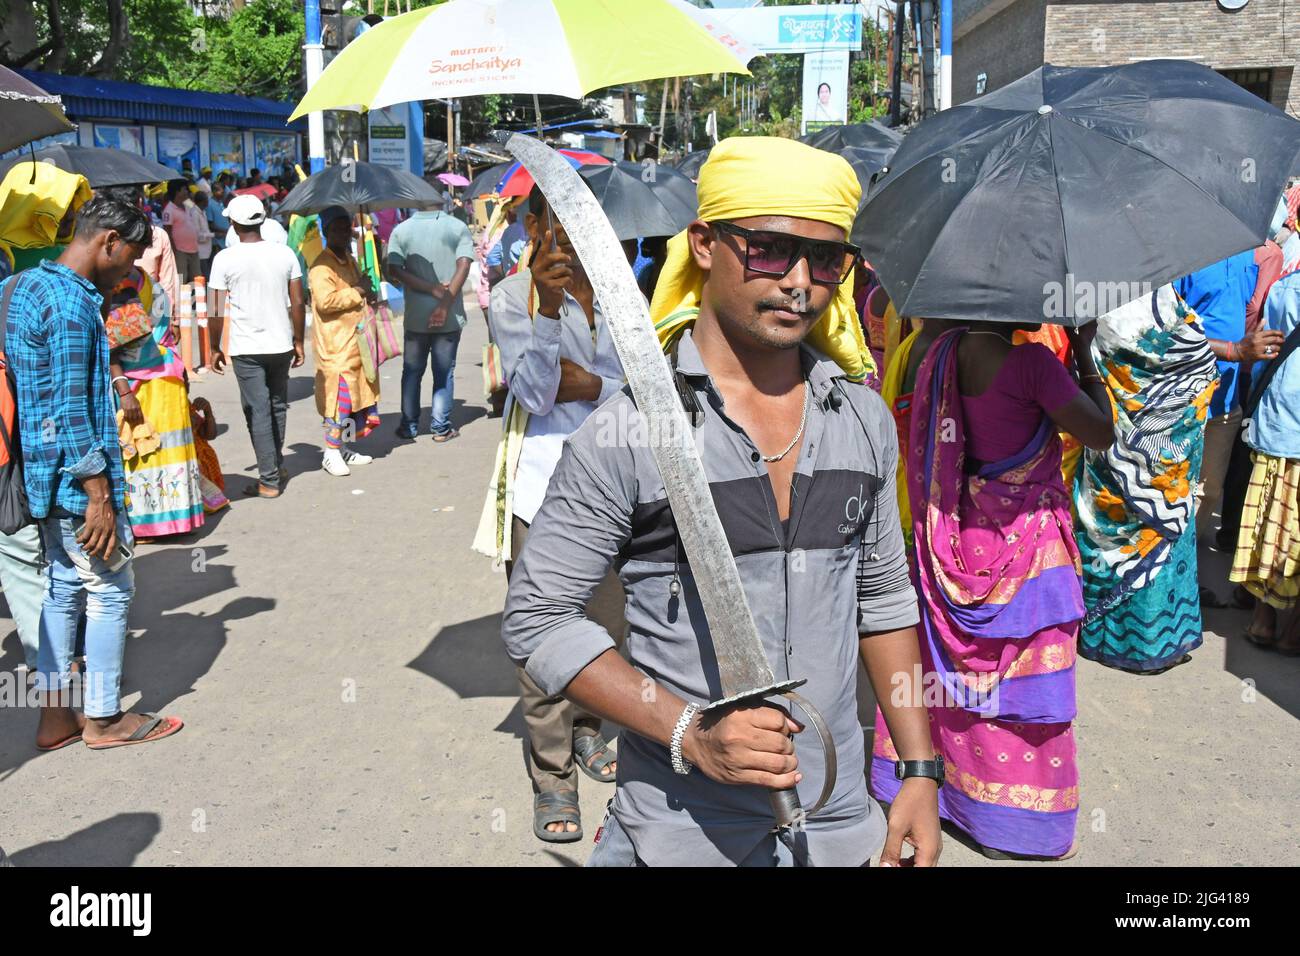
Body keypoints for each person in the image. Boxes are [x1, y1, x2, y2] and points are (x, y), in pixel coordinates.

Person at [502, 137, 941, 867]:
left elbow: (884, 599)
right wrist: (689, 733)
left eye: (826, 261)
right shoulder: (629, 431)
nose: (801, 282)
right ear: (704, 244)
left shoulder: (862, 423)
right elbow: (538, 617)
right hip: (681, 833)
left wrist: (920, 770)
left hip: (837, 829)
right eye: (769, 249)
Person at [871, 315, 1114, 861]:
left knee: (947, 674)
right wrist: (1085, 352)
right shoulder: (1033, 364)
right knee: (1022, 684)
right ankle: (1013, 825)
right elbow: (1101, 432)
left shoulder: (937, 352)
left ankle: (943, 793)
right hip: (1027, 549)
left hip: (953, 532)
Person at [474, 184, 627, 843]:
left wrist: (589, 380)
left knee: (613, 625)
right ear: (533, 226)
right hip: (542, 491)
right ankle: (553, 777)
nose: (567, 240)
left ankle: (589, 727)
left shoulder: (627, 297)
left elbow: (647, 386)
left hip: (621, 488)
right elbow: (536, 393)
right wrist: (551, 312)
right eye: (555, 225)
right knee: (539, 639)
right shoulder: (514, 298)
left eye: (581, 226)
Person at [3, 194, 183, 750]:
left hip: (40, 476)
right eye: (129, 259)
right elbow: (71, 407)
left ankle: (55, 718)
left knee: (60, 587)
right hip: (76, 481)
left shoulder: (23, 286)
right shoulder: (73, 302)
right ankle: (105, 719)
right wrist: (98, 491)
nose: (129, 271)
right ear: (108, 241)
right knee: (109, 589)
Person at [1075, 287, 1220, 672]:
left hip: (1112, 441)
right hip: (1162, 453)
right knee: (1160, 531)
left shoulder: (1088, 294)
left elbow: (1092, 356)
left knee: (1111, 531)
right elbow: (1196, 359)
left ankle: (1104, 635)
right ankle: (1155, 643)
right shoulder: (1157, 291)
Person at [1173, 252, 1278, 560]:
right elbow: (1168, 329)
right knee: (1173, 494)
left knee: (1209, 492)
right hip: (1184, 401)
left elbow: (1248, 312)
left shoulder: (1249, 253)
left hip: (1226, 400)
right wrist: (1233, 350)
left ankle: (1185, 576)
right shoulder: (1184, 254)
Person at [105, 267, 216, 538]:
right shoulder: (141, 281)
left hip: (147, 385)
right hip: (161, 380)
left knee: (147, 450)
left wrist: (124, 391)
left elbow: (112, 346)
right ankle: (175, 521)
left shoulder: (126, 281)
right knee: (159, 449)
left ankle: (152, 524)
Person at [207, 194, 305, 499]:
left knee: (258, 410)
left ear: (233, 225)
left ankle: (269, 479)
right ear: (262, 220)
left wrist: (212, 347)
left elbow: (214, 309)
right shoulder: (284, 253)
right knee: (276, 406)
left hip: (247, 348)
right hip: (280, 343)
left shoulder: (224, 258)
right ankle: (275, 465)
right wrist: (299, 340)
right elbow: (298, 301)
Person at [1231, 267, 1300, 654]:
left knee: (1268, 522)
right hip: (1285, 426)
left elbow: (1266, 352)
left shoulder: (1287, 287)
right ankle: (1294, 631)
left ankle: (1263, 618)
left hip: (1279, 423)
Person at [384, 196, 474, 442]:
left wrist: (429, 288)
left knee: (412, 371)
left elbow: (394, 268)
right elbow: (464, 265)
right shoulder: (457, 227)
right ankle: (440, 428)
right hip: (449, 318)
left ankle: (408, 426)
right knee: (443, 372)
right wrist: (443, 302)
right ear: (442, 199)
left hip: (415, 318)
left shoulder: (401, 231)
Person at [308, 206, 381, 477]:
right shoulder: (320, 267)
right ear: (327, 232)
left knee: (356, 400)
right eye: (337, 228)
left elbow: (358, 290)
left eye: (346, 227)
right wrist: (357, 291)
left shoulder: (349, 259)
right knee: (339, 400)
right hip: (335, 345)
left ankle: (343, 448)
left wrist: (367, 291)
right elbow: (326, 303)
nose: (344, 233)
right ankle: (330, 451)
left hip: (356, 342)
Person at [161, 180, 201, 285]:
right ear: (177, 192)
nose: (187, 191)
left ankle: (198, 301)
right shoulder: (168, 210)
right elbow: (167, 232)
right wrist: (173, 251)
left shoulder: (188, 203)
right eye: (184, 189)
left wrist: (190, 199)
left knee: (198, 279)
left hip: (194, 248)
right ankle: (181, 301)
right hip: (179, 251)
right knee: (181, 279)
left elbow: (197, 210)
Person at [192, 190, 214, 279]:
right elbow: (198, 236)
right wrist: (213, 235)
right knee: (205, 276)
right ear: (202, 201)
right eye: (206, 199)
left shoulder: (203, 212)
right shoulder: (194, 213)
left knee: (209, 274)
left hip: (208, 249)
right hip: (201, 252)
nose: (208, 201)